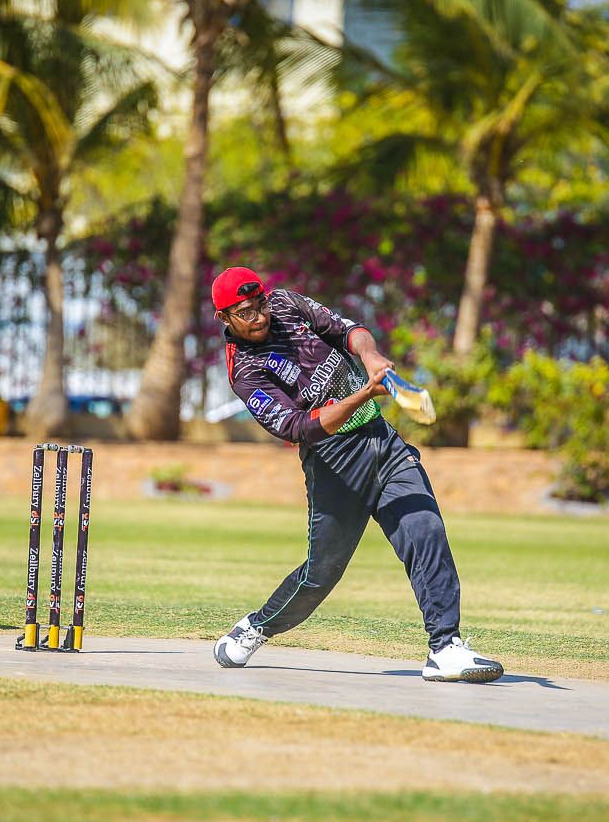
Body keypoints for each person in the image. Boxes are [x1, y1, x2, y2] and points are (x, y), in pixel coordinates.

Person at [208, 266, 503, 684]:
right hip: (335, 464)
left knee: (425, 529)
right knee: (321, 574)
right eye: (245, 312)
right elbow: (299, 428)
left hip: (381, 438)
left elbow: (348, 330)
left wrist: (371, 357)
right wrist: (365, 392)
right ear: (224, 318)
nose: (259, 317)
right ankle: (257, 626)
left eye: (260, 305)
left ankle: (445, 648)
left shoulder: (286, 304)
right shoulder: (246, 370)